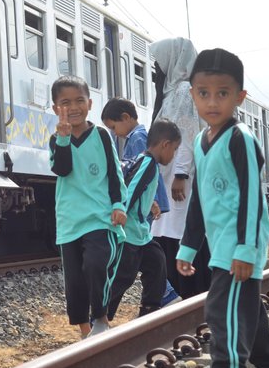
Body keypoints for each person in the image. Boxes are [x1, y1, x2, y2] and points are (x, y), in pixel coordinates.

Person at [176, 48, 269, 368]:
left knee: (222, 311)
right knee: (243, 308)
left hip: (240, 244)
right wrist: (188, 246)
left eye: (222, 94)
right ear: (193, 94)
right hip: (222, 243)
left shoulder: (241, 138)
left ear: (239, 97)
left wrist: (245, 249)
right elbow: (199, 200)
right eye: (204, 93)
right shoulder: (199, 141)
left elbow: (253, 198)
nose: (212, 102)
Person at [49, 75, 127, 339]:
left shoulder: (103, 136)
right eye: (65, 102)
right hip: (70, 219)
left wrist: (118, 204)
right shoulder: (55, 139)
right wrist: (62, 139)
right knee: (74, 280)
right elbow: (62, 168)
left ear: (90, 103)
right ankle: (85, 331)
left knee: (95, 264)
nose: (73, 107)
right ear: (55, 108)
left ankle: (101, 318)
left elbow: (115, 174)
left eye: (79, 100)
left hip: (99, 216)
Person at [101, 98, 181, 307]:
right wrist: (122, 211)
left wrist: (151, 200)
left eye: (114, 127)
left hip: (139, 229)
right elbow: (134, 185)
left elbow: (137, 183)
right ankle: (100, 316)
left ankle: (153, 307)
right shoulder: (147, 160)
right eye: (173, 151)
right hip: (132, 227)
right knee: (124, 276)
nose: (115, 132)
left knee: (156, 262)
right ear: (164, 146)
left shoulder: (139, 142)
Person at [148, 37, 210, 299]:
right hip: (168, 176)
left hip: (179, 178)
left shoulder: (184, 91)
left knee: (180, 234)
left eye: (159, 62)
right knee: (170, 234)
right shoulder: (173, 92)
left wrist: (182, 174)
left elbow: (186, 135)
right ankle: (184, 297)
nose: (156, 69)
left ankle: (193, 295)